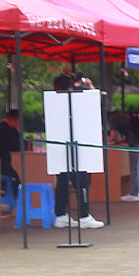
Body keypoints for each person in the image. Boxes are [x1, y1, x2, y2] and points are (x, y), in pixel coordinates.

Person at [51, 72, 103, 229]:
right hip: (77, 147)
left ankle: (60, 215)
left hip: (59, 147)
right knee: (82, 182)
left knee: (62, 182)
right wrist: (89, 85)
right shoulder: (77, 98)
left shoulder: (53, 101)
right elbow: (95, 100)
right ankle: (84, 216)